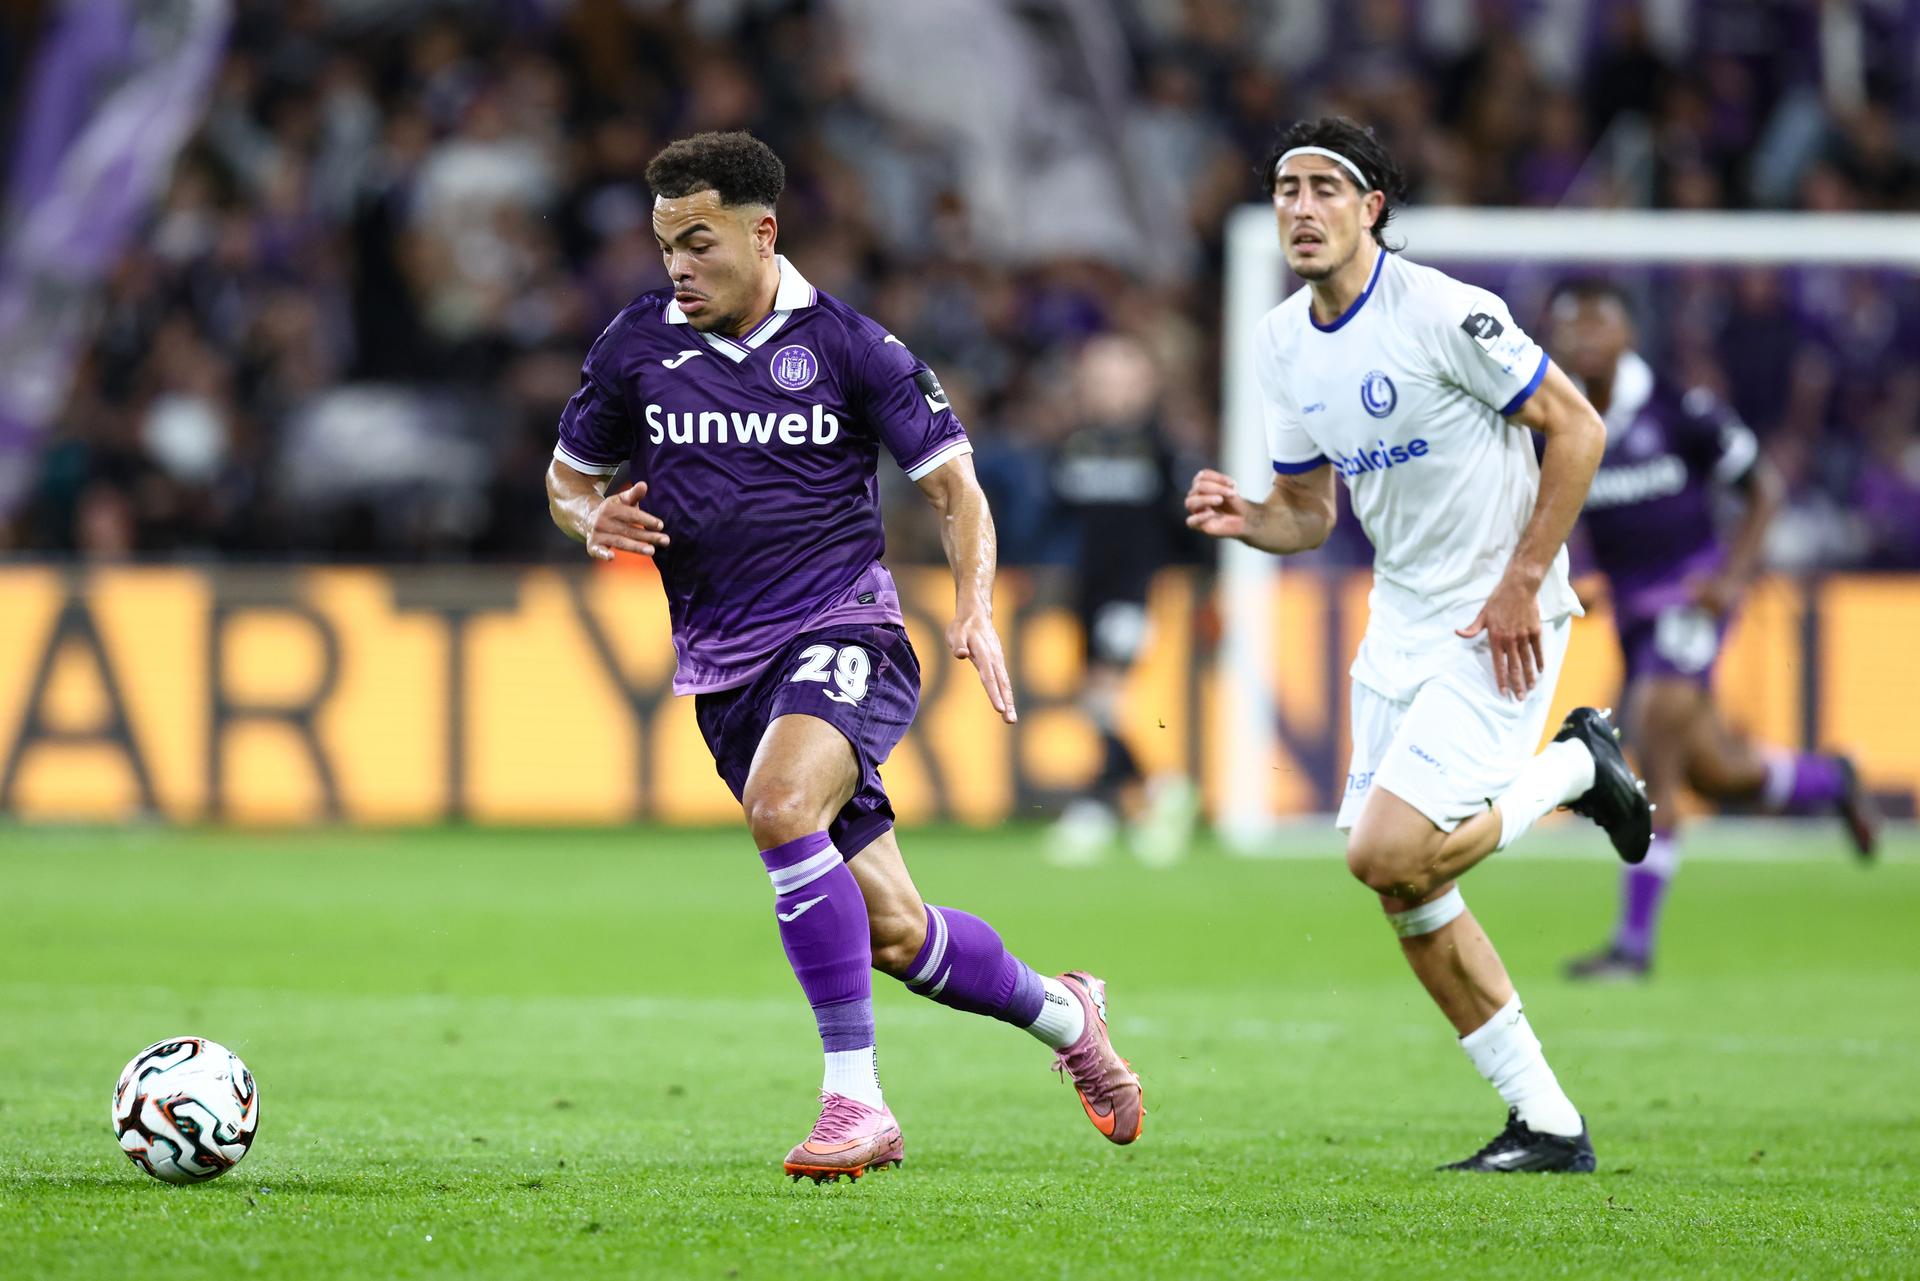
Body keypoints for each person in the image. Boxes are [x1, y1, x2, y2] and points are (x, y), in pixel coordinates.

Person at [544, 131, 1143, 1182]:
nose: (676, 266)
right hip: (726, 675)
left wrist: (974, 608)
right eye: (664, 245)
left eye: (697, 241)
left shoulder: (853, 347)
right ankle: (1068, 1016)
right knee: (898, 935)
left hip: (846, 630)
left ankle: (855, 1104)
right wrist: (588, 517)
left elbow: (956, 488)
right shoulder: (636, 345)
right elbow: (565, 475)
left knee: (780, 809)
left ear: (761, 230)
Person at [1185, 117, 1652, 1173]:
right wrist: (1247, 515)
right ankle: (1548, 1122)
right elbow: (1309, 512)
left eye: (1323, 188)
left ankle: (1580, 765)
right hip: (1399, 623)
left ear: (1372, 207)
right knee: (1405, 888)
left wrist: (1523, 579)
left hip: (1499, 620)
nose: (1299, 208)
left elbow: (1577, 429)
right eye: (1285, 189)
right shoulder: (1279, 343)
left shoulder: (1445, 311)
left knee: (1384, 850)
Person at [1548, 278, 1879, 982]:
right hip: (1636, 612)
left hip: (1692, 600)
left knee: (1653, 733)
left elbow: (1764, 489)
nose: (1582, 337)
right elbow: (1556, 512)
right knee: (1714, 771)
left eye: (1596, 321)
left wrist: (1731, 578)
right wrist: (1570, 574)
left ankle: (1632, 946)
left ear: (1628, 332)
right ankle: (1830, 779)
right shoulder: (1557, 417)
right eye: (1569, 325)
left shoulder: (1680, 410)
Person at [1047, 333, 1200, 866]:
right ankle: (1142, 793)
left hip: (1137, 591)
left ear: (1145, 385)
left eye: (1120, 380)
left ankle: (1127, 797)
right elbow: (1057, 515)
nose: (1110, 391)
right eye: (1100, 380)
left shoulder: (1162, 447)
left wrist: (1198, 579)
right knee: (1097, 702)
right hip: (1087, 589)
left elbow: (1187, 526)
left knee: (1105, 697)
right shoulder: (1076, 444)